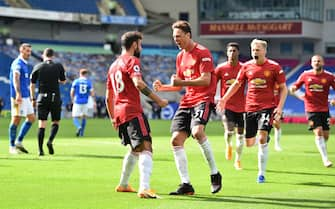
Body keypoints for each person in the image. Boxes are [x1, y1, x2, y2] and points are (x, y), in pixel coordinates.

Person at [153, 20, 222, 195]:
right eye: (174, 37)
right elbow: (178, 86)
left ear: (188, 35)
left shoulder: (202, 52)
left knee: (198, 132)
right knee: (176, 140)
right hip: (188, 100)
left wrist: (181, 82)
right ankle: (186, 184)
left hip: (203, 98)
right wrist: (163, 88)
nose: (176, 40)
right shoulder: (180, 56)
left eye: (179, 36)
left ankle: (215, 174)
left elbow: (206, 80)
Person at [105, 31, 168, 198]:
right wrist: (159, 100)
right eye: (140, 44)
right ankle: (144, 188)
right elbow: (138, 83)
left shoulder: (113, 66)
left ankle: (123, 184)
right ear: (134, 45)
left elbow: (108, 97)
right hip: (132, 111)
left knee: (135, 148)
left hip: (119, 113)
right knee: (146, 146)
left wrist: (113, 117)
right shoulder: (132, 61)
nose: (141, 47)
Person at [217, 38, 288, 183]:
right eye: (253, 50)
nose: (255, 52)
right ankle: (265, 138)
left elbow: (283, 88)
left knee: (261, 138)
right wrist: (224, 99)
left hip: (267, 107)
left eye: (258, 50)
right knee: (249, 143)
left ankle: (261, 174)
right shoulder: (247, 66)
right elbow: (237, 83)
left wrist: (279, 107)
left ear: (264, 51)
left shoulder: (274, 67)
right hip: (249, 108)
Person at [290, 54, 333, 168]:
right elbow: (295, 86)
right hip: (311, 109)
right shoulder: (305, 75)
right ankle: (325, 159)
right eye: (314, 61)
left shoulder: (329, 77)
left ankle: (321, 144)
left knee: (326, 135)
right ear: (311, 63)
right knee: (318, 132)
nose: (316, 63)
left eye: (319, 61)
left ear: (323, 63)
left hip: (324, 109)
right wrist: (294, 89)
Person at [30, 48, 66, 156]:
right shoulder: (58, 66)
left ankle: (40, 150)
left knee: (42, 124)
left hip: (42, 97)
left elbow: (32, 84)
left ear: (43, 55)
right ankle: (50, 141)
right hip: (55, 97)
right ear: (53, 56)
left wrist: (33, 98)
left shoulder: (37, 66)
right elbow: (63, 81)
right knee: (55, 122)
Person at [214, 42, 245, 170]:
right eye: (230, 51)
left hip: (243, 107)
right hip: (227, 106)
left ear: (238, 53)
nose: (232, 53)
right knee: (229, 131)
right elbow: (212, 83)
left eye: (234, 51)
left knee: (241, 136)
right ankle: (228, 145)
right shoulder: (221, 68)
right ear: (227, 53)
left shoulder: (244, 68)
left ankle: (238, 160)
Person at [8, 43, 36, 154]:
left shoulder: (25, 64)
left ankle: (19, 141)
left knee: (32, 118)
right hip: (18, 96)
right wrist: (18, 94)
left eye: (30, 51)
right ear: (21, 50)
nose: (29, 53)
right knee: (16, 119)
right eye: (27, 51)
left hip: (26, 96)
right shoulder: (17, 63)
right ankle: (11, 146)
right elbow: (16, 78)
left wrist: (29, 97)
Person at [70, 69, 95, 137]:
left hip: (77, 101)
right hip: (85, 102)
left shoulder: (76, 81)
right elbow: (92, 93)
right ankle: (82, 134)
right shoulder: (88, 82)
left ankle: (78, 127)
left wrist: (72, 99)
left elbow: (72, 92)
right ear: (86, 74)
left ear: (80, 73)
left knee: (74, 117)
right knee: (84, 117)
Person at [273, 83, 283, 151]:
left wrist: (280, 106)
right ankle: (259, 141)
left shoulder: (278, 83)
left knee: (277, 124)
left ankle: (277, 144)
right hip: (264, 106)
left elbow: (283, 92)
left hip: (276, 107)